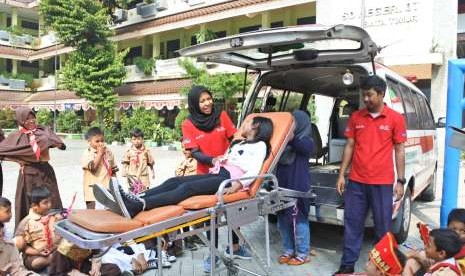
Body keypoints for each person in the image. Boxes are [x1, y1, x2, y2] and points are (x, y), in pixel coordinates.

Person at [334, 76, 407, 275]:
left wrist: (400, 180)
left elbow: (399, 150)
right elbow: (349, 146)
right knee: (352, 224)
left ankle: (381, 267)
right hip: (357, 182)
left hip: (382, 183)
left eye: (370, 95)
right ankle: (347, 265)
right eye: (363, 95)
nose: (365, 99)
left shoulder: (395, 118)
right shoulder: (356, 117)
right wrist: (342, 175)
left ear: (381, 94)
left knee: (382, 228)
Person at [181, 85, 248, 271]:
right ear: (195, 104)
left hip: (229, 172)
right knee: (212, 217)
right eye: (202, 101)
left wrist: (236, 157)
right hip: (206, 175)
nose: (207, 103)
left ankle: (235, 246)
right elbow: (194, 152)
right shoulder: (188, 124)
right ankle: (213, 254)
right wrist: (213, 160)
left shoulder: (222, 116)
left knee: (234, 208)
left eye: (208, 98)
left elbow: (235, 138)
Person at [0, 107, 65, 228]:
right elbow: (3, 148)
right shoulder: (16, 136)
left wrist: (55, 143)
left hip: (46, 170)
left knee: (52, 199)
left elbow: (57, 142)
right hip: (29, 173)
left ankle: (53, 229)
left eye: (32, 117)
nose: (31, 121)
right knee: (30, 201)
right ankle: (27, 231)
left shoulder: (43, 130)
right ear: (20, 121)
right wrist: (20, 158)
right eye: (27, 119)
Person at [276, 110, 313, 266]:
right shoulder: (281, 143)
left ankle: (303, 253)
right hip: (281, 186)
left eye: (293, 123)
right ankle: (289, 250)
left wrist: (291, 137)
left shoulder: (306, 141)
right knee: (282, 219)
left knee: (299, 220)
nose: (290, 126)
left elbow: (304, 147)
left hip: (298, 188)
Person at [404, 208, 465, 275]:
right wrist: (417, 256)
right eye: (453, 229)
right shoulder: (445, 246)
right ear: (447, 228)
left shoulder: (445, 272)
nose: (457, 233)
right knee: (411, 261)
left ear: (442, 253)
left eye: (463, 231)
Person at [15, 187, 62, 272]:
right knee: (37, 262)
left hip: (54, 249)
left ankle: (57, 259)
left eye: (50, 201)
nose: (49, 205)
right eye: (45, 203)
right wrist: (38, 252)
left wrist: (59, 221)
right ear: (34, 206)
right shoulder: (26, 222)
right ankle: (58, 260)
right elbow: (23, 248)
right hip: (36, 255)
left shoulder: (53, 216)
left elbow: (61, 235)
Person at [82, 127, 118, 210]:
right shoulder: (87, 153)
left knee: (107, 213)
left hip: (107, 188)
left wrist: (115, 185)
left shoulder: (108, 152)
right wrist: (100, 153)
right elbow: (93, 168)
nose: (100, 143)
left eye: (102, 140)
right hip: (92, 191)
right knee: (93, 215)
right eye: (97, 141)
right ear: (89, 141)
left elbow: (113, 170)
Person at [121, 128, 155, 193]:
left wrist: (153, 172)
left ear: (142, 140)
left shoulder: (146, 151)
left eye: (139, 139)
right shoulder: (129, 151)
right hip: (132, 176)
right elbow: (125, 162)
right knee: (132, 193)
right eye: (134, 139)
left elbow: (150, 162)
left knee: (144, 193)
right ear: (131, 140)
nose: (136, 141)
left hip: (143, 177)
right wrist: (123, 171)